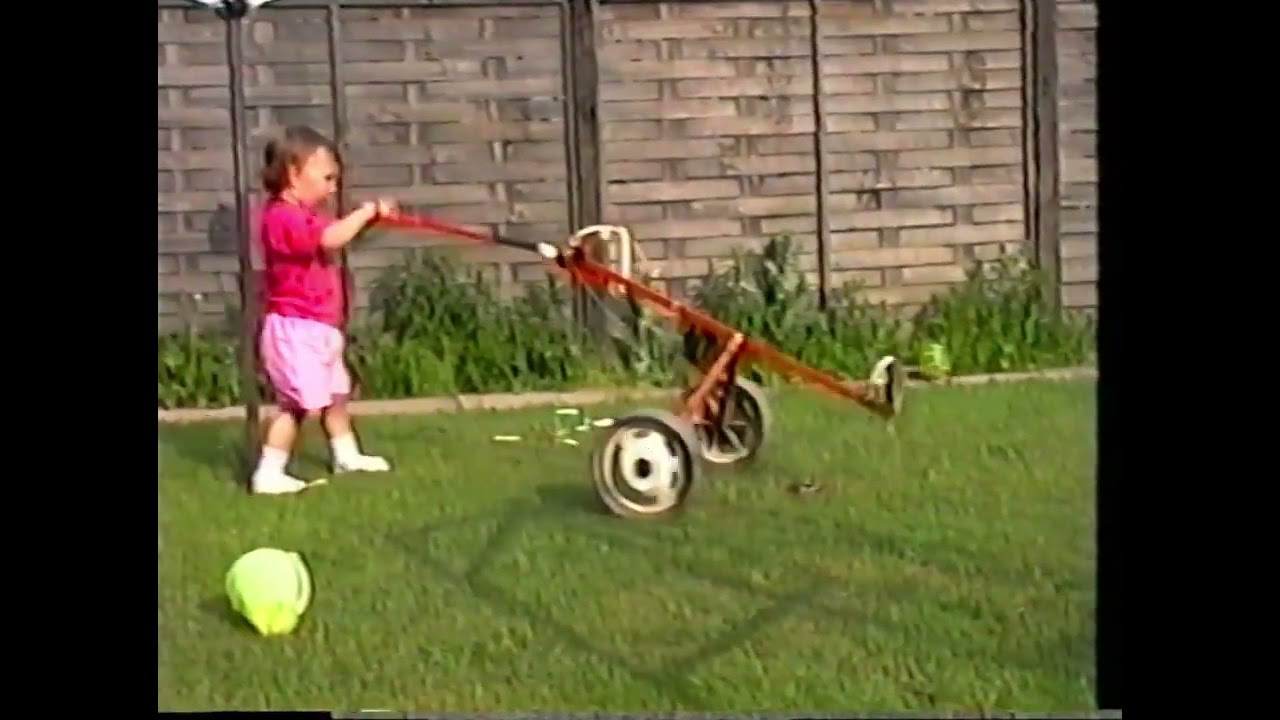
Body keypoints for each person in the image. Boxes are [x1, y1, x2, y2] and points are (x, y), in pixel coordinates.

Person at [249, 125, 397, 495]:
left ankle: (346, 455)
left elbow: (334, 235)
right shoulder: (282, 218)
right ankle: (268, 472)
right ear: (293, 174)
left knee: (335, 397)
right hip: (296, 329)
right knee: (296, 405)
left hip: (319, 328)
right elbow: (331, 238)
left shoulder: (307, 217)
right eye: (328, 177)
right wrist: (365, 213)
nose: (334, 187)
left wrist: (369, 220)